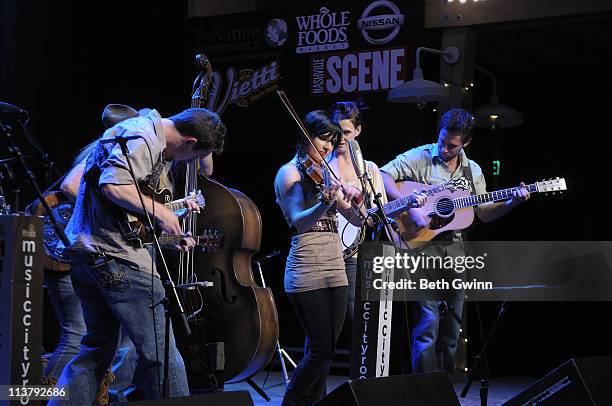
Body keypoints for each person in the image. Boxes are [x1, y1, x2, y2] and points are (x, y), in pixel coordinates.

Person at [49, 107, 226, 404]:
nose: (188, 163)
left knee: (96, 350)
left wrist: (167, 239)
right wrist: (160, 212)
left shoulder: (144, 137)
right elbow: (112, 185)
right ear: (190, 143)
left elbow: (119, 214)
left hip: (94, 256)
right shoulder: (143, 135)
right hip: (119, 262)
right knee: (163, 357)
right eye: (193, 157)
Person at [380, 108, 530, 374]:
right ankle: (424, 390)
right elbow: (382, 175)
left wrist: (511, 203)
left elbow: (483, 213)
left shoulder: (473, 171)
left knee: (452, 329)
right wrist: (410, 205)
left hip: (455, 252)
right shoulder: (421, 156)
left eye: (452, 146)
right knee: (426, 325)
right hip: (421, 247)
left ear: (466, 143)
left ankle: (445, 390)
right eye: (442, 141)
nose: (445, 149)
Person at [274, 110, 364, 406]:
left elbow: (354, 218)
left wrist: (357, 202)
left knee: (326, 349)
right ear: (305, 136)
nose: (328, 146)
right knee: (321, 349)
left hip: (335, 264)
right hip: (307, 263)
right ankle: (293, 403)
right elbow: (300, 221)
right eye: (322, 139)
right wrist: (326, 201)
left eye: (332, 141)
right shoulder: (291, 173)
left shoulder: (325, 172)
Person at [326, 101, 389, 328]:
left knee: (355, 319)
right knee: (325, 323)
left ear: (358, 131)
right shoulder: (322, 166)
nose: (340, 139)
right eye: (335, 132)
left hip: (353, 255)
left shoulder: (369, 170)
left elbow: (376, 217)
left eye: (346, 133)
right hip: (324, 252)